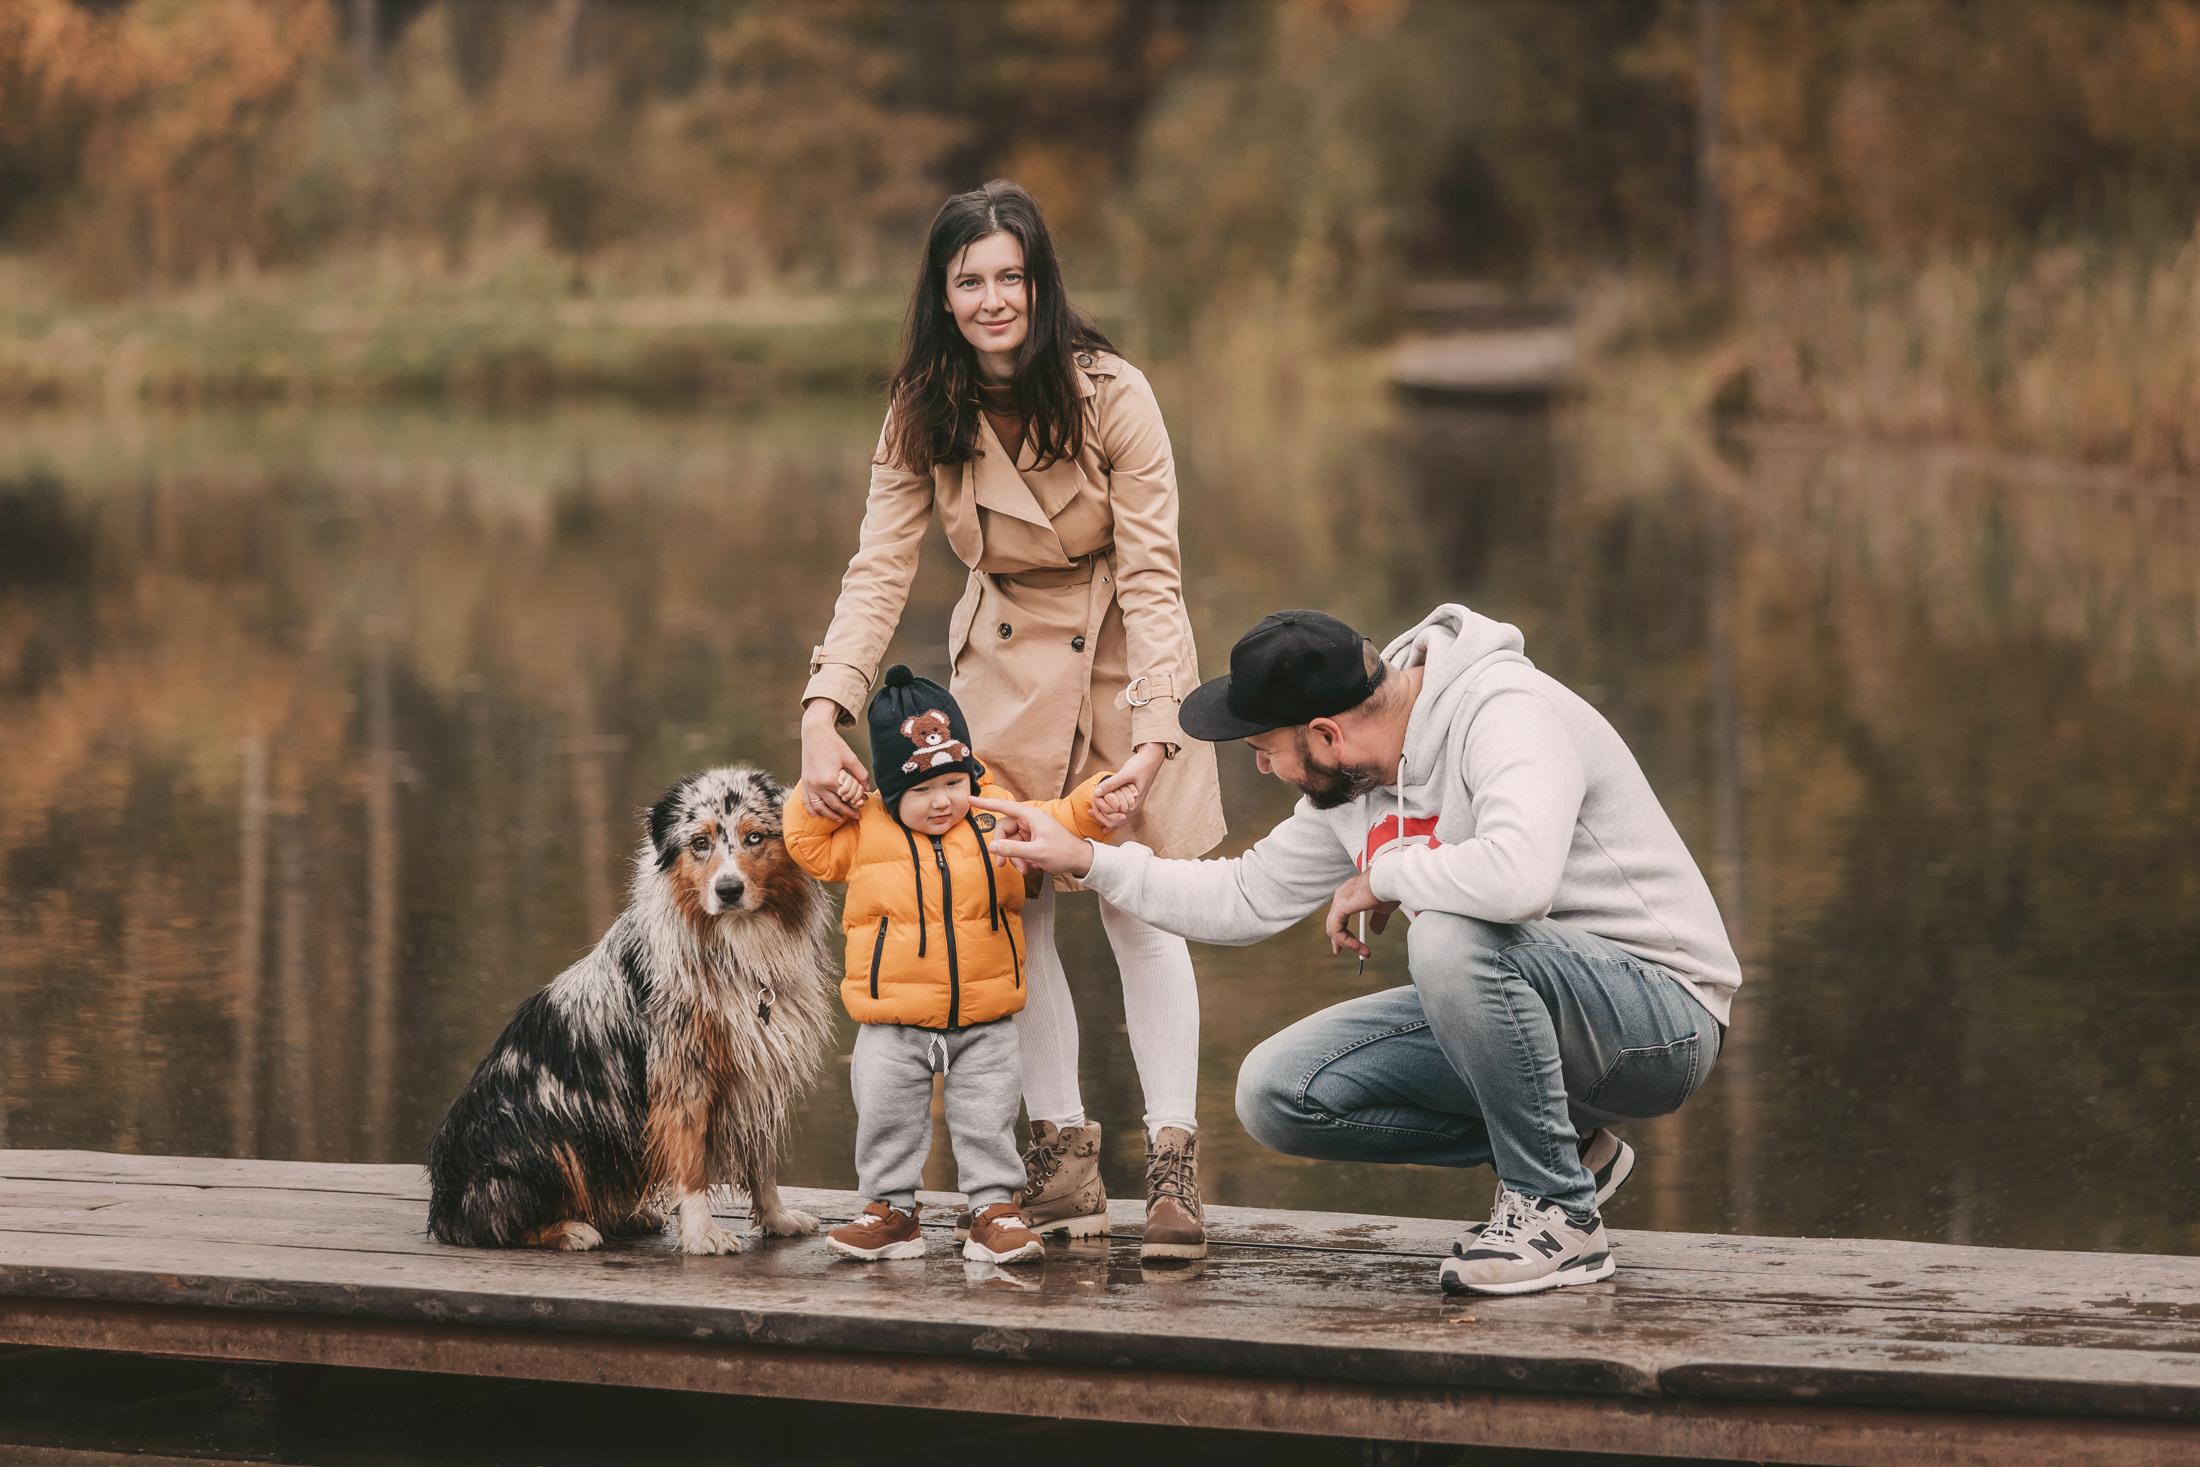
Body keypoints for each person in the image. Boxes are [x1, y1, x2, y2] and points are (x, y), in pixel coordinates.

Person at [974, 605, 1742, 1296]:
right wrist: (1081, 857)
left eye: (1264, 747)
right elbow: (1243, 897)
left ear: (1326, 734)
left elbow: (1520, 879)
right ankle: (1571, 1153)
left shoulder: (1505, 711)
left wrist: (1386, 874)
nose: (1260, 765)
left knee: (1446, 932)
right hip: (1536, 1013)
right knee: (1279, 1090)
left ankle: (1559, 1215)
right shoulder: (1352, 786)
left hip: (1661, 1017)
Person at [797, 179, 1225, 1259]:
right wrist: (822, 710)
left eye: (1010, 278)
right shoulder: (919, 409)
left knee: (1143, 910)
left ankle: (1173, 1165)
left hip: (1134, 655)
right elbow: (878, 567)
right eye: (969, 280)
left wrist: (1157, 735)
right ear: (941, 295)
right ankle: (1062, 1163)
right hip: (999, 673)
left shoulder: (1111, 393)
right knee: (1012, 917)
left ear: (1040, 286)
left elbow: (1156, 574)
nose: (993, 300)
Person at [784, 667, 1130, 1264]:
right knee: (886, 1116)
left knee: (987, 1119)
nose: (942, 800)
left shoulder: (992, 815)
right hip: (892, 1020)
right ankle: (891, 1211)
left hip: (985, 1017)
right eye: (921, 790)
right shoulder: (864, 828)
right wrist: (819, 789)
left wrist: (1092, 804)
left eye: (953, 781)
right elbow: (807, 845)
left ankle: (992, 1210)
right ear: (891, 792)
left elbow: (1057, 820)